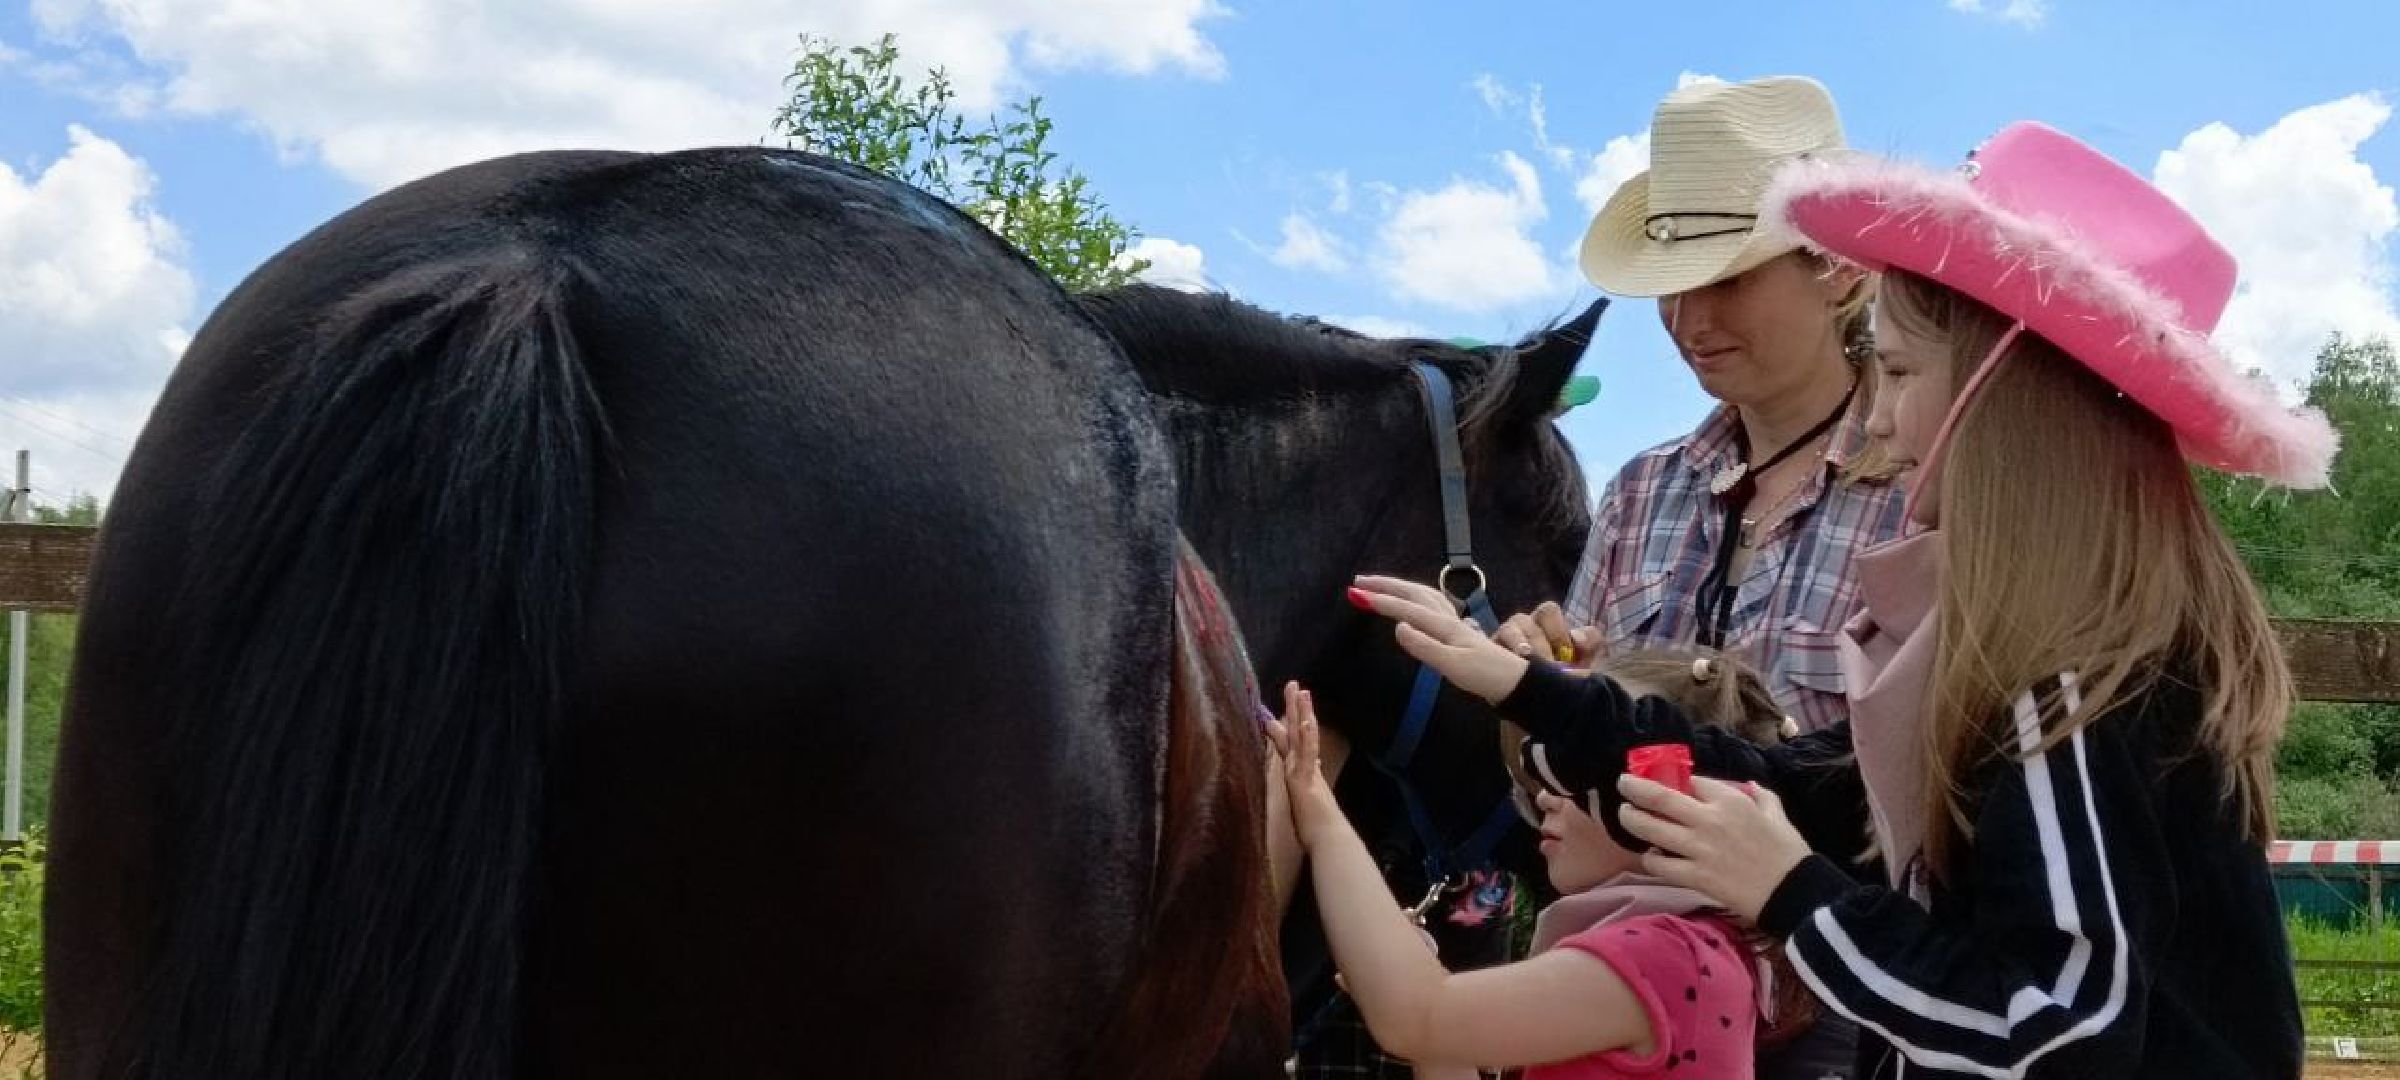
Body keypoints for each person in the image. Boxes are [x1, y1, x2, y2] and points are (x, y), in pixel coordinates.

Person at [1381, 121, 2334, 1077]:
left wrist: (1791, 892)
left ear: (2009, 405)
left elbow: (2058, 1033)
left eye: (1906, 373)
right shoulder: (2021, 653)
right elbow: (1809, 786)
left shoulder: (2071, 687)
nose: (1881, 414)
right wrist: (1533, 691)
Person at [1502, 73, 1906, 1079]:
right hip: (1632, 982)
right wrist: (1535, 701)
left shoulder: (1924, 496)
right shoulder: (1642, 493)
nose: (1688, 317)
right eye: (1672, 283)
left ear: (1841, 271)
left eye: (1728, 276)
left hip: (1849, 988)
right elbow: (1544, 787)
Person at [1269, 647, 1811, 1080]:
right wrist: (1414, 976)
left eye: (1574, 772)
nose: (1545, 796)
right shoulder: (1696, 948)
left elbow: (1415, 1017)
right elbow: (1428, 1029)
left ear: (1673, 795)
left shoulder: (1673, 956)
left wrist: (1320, 818)